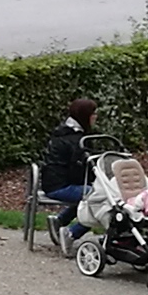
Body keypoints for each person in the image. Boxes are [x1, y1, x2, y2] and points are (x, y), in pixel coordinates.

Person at [34, 97, 99, 251]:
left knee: (92, 194)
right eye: (93, 114)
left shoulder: (64, 133)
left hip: (52, 182)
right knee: (100, 199)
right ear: (85, 116)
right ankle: (71, 233)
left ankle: (60, 220)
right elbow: (79, 171)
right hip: (60, 186)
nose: (95, 117)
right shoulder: (77, 140)